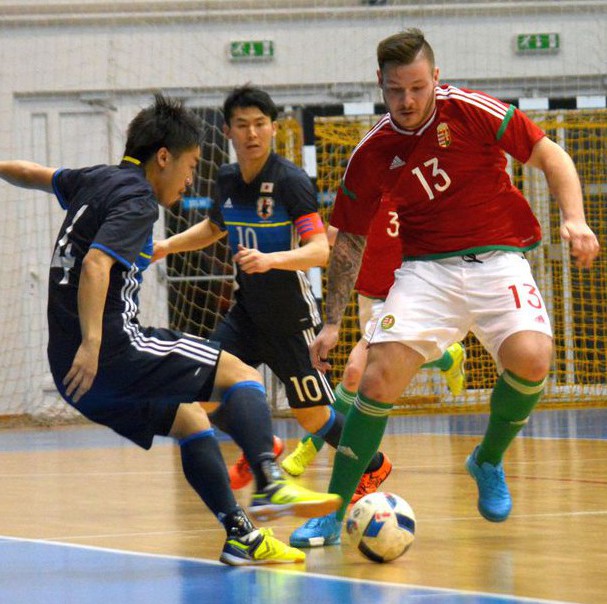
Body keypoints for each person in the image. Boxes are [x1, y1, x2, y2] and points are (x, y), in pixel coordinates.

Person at [0, 93, 341, 566]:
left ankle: (240, 534)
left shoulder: (94, 180)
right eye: (189, 165)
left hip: (71, 375)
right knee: (240, 373)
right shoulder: (139, 199)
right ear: (163, 157)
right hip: (113, 350)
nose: (190, 179)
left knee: (191, 419)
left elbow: (32, 174)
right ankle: (269, 480)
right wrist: (95, 342)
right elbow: (98, 264)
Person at [290, 28, 600, 548]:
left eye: (416, 87)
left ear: (436, 77)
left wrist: (576, 219)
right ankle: (332, 511)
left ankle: (487, 460)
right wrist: (333, 320)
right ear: (380, 85)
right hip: (426, 271)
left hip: (499, 260)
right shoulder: (371, 152)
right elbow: (348, 243)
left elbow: (552, 156)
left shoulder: (471, 109)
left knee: (533, 357)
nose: (407, 101)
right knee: (375, 380)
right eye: (395, 91)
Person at [153, 85, 392, 503]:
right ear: (227, 130)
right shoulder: (227, 180)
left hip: (292, 320)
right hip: (246, 315)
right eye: (242, 125)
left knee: (315, 418)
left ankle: (374, 466)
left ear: (274, 129)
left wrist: (271, 260)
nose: (252, 133)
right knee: (199, 395)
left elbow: (319, 251)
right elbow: (214, 229)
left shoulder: (290, 182)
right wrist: (166, 246)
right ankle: (261, 446)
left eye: (260, 124)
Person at [281, 208, 467, 480]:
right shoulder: (363, 198)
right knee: (387, 361)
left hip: (404, 295)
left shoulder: (410, 194)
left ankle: (309, 448)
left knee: (355, 372)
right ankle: (446, 357)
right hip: (370, 296)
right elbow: (335, 236)